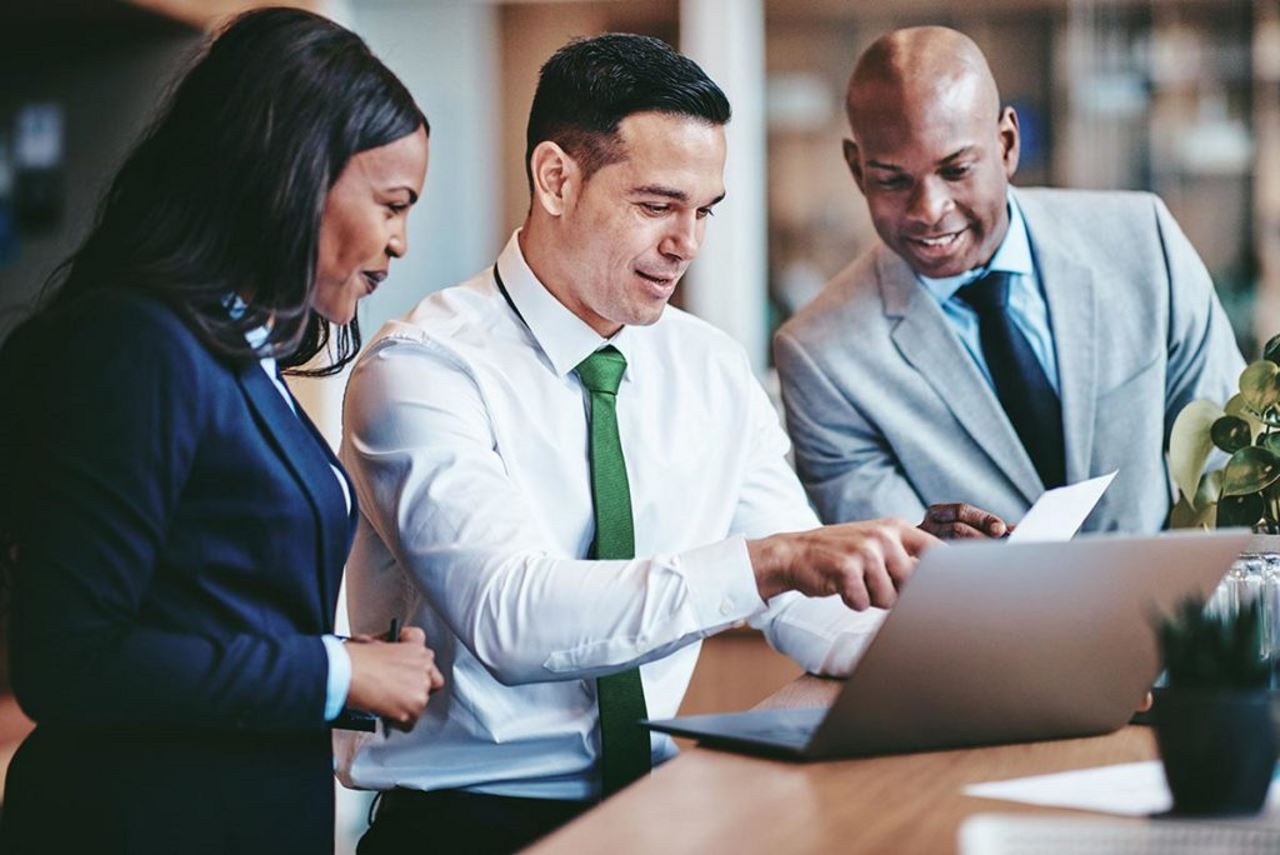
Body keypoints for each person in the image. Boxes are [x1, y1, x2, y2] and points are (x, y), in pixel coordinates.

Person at [333, 33, 1004, 855]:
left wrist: (960, 620)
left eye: (705, 210)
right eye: (658, 205)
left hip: (663, 810)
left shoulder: (710, 368)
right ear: (556, 178)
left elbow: (803, 605)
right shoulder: (422, 370)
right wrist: (769, 559)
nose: (689, 243)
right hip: (467, 824)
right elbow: (509, 617)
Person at [0, 9, 442, 854]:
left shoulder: (241, 350)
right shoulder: (137, 341)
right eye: (391, 204)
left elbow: (207, 602)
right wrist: (335, 670)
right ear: (292, 175)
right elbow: (68, 657)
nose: (399, 243)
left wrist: (349, 664)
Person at [774, 26, 1245, 537]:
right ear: (857, 169)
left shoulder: (1141, 244)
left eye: (956, 170)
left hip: (1179, 609)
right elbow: (892, 563)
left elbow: (1228, 473)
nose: (930, 210)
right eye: (892, 179)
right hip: (979, 617)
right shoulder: (821, 356)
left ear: (1007, 144)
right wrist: (931, 554)